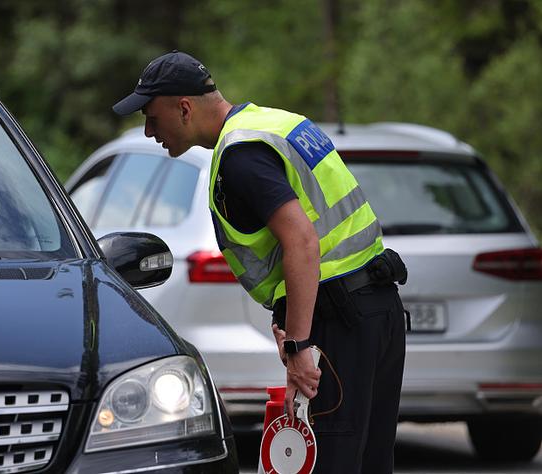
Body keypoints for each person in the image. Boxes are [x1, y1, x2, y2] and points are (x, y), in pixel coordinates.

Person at [112, 50, 408, 474]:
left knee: (332, 462)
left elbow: (303, 241)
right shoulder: (274, 122)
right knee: (372, 462)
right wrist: (289, 315)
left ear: (184, 107)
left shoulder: (241, 155)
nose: (147, 131)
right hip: (377, 309)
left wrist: (301, 346)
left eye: (151, 117)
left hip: (338, 324)